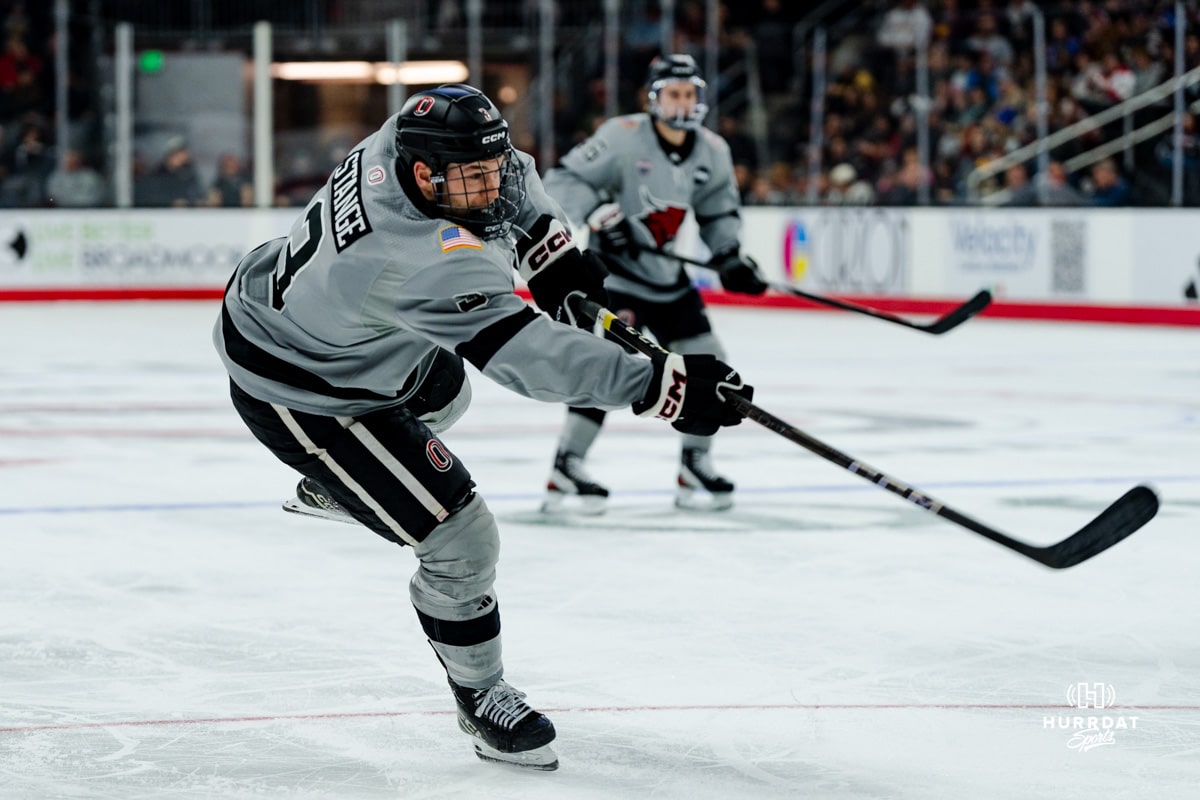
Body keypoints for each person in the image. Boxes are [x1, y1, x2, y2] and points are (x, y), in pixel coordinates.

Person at [212, 84, 750, 770]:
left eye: (486, 167)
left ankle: (348, 486)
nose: (490, 186)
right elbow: (532, 358)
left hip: (316, 325)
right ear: (425, 175)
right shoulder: (413, 253)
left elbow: (516, 175)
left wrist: (556, 262)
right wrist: (661, 387)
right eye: (472, 178)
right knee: (462, 541)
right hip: (303, 385)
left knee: (447, 393)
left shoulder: (403, 142)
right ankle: (480, 696)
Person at [538, 53, 768, 515]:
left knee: (710, 363)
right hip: (620, 281)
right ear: (653, 98)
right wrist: (600, 215)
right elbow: (563, 179)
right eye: (673, 93)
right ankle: (568, 463)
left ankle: (695, 462)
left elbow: (719, 210)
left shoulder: (713, 151)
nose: (682, 103)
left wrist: (730, 257)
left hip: (669, 282)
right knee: (607, 368)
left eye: (690, 94)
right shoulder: (622, 137)